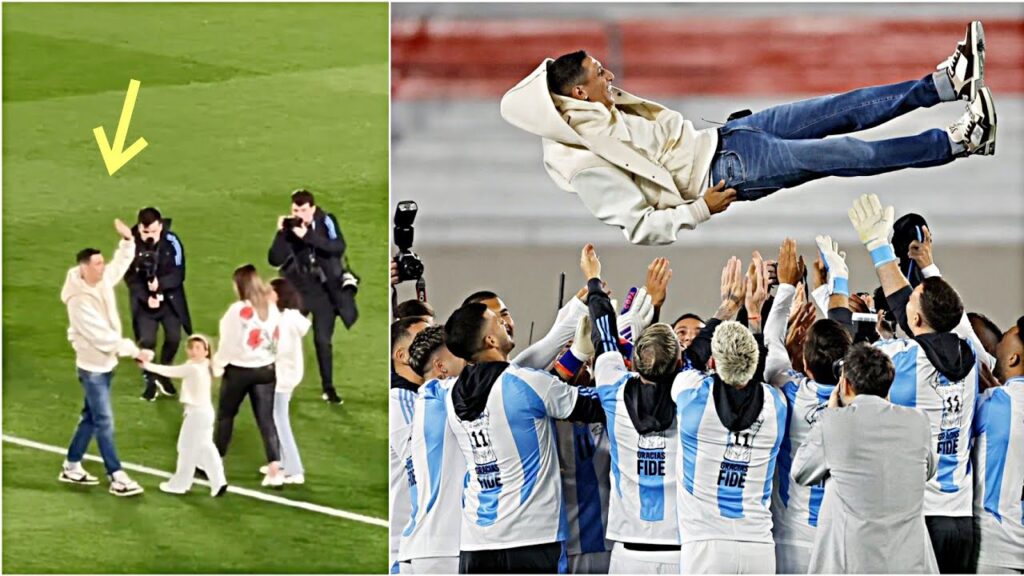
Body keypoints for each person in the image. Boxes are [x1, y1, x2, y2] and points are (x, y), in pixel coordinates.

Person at [500, 22, 995, 245]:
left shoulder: (600, 109)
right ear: (579, 94)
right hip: (728, 172)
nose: (609, 76)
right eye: (599, 73)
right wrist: (699, 210)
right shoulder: (581, 161)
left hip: (731, 135)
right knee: (846, 153)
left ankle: (947, 83)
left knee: (840, 107)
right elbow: (637, 227)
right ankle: (959, 141)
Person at [848, 193, 991, 573]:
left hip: (919, 517)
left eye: (915, 303)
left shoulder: (905, 362)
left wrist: (879, 248)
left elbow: (852, 364)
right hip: (960, 520)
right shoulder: (972, 356)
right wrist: (927, 269)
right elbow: (945, 318)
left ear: (916, 324)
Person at [443, 300, 604, 573]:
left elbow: (524, 378)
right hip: (533, 539)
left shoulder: (450, 395)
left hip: (476, 543)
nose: (506, 323)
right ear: (491, 339)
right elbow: (599, 407)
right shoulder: (525, 383)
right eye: (497, 320)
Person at [792, 343, 938, 573]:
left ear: (845, 385)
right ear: (888, 387)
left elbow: (800, 472)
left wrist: (831, 413)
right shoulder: (919, 421)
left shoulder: (835, 422)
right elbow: (928, 471)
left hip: (851, 563)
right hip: (909, 563)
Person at [582, 245, 681, 574]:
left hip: (628, 554)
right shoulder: (693, 396)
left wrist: (594, 282)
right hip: (684, 551)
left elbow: (604, 335)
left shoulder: (613, 387)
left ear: (634, 363)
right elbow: (708, 349)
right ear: (681, 363)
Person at [763, 237, 854, 574]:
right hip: (839, 539)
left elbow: (771, 340)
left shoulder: (789, 391)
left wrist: (786, 287)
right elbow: (847, 351)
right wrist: (836, 282)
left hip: (789, 538)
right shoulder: (860, 400)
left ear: (804, 362)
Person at [671, 316, 787, 574]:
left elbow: (689, 360)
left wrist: (726, 308)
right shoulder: (777, 404)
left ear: (712, 363)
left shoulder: (691, 395)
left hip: (704, 545)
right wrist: (756, 318)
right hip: (759, 546)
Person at [58, 219, 148, 497]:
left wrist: (128, 241)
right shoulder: (79, 300)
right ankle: (116, 475)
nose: (102, 267)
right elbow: (101, 337)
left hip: (105, 364)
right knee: (104, 420)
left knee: (91, 417)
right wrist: (134, 350)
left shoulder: (98, 281)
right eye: (97, 264)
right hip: (93, 368)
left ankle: (72, 465)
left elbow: (119, 265)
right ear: (84, 268)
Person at [398, 325, 467, 574]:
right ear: (441, 367)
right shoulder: (442, 395)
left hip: (421, 547)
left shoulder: (425, 403)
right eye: (459, 353)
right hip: (444, 550)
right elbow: (502, 377)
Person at [268, 189, 348, 404]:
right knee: (285, 337)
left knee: (323, 340)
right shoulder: (288, 228)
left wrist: (309, 237)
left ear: (312, 208)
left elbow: (338, 247)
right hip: (297, 292)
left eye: (303, 210)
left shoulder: (326, 221)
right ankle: (274, 381)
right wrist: (280, 233)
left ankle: (328, 388)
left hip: (323, 293)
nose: (299, 214)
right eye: (295, 210)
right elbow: (274, 259)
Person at [212, 264, 283, 488]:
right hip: (266, 370)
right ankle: (275, 469)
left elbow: (228, 343)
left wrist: (218, 366)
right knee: (266, 420)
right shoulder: (271, 307)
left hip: (240, 370)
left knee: (226, 416)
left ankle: (214, 463)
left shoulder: (238, 311)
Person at [140, 334, 228, 497]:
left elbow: (170, 371)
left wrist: (146, 365)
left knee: (186, 449)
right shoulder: (205, 365)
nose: (193, 351)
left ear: (206, 351)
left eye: (198, 348)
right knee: (206, 448)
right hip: (205, 413)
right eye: (191, 347)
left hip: (197, 414)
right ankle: (219, 481)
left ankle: (180, 484)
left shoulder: (193, 368)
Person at [124, 207, 192, 401]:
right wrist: (147, 298)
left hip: (169, 300)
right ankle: (150, 379)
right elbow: (129, 278)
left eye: (154, 231)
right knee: (147, 342)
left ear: (160, 226)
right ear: (139, 228)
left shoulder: (172, 242)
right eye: (146, 232)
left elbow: (179, 273)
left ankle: (164, 371)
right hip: (145, 303)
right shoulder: (130, 245)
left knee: (173, 337)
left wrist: (160, 286)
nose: (150, 236)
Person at [973, 317, 1024, 574]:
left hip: (995, 551)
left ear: (1014, 358)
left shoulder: (994, 403)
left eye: (1004, 337)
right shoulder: (999, 402)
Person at [389, 316, 431, 575]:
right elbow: (422, 462)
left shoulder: (423, 397)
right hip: (403, 554)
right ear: (402, 355)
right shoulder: (400, 400)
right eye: (423, 340)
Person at [270, 278, 312, 485]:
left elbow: (279, 349)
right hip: (288, 373)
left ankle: (295, 468)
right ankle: (285, 463)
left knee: (280, 419)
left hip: (282, 376)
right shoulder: (290, 317)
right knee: (277, 417)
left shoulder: (284, 320)